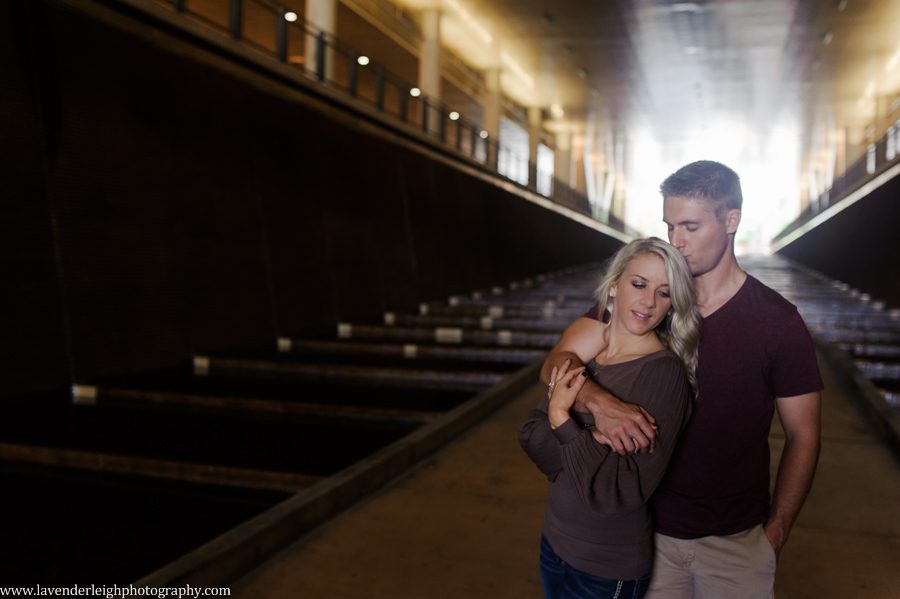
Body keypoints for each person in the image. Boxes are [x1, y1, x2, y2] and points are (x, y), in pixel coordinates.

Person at [541, 160, 823, 598]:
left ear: (731, 221)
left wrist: (777, 530)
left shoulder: (777, 322)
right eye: (670, 226)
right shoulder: (644, 304)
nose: (677, 241)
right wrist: (599, 402)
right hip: (643, 531)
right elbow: (556, 361)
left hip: (735, 541)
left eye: (690, 227)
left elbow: (803, 434)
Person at [519, 237, 701, 599]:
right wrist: (586, 435)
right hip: (554, 544)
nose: (649, 302)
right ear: (614, 285)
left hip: (604, 568)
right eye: (639, 284)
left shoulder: (663, 374)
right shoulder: (587, 356)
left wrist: (562, 418)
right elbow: (531, 438)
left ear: (673, 304)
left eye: (664, 293)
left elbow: (617, 491)